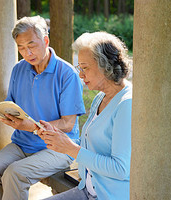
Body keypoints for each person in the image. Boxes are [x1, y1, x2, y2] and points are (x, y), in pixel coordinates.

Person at [0, 16, 86, 200]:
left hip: (58, 147)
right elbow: (10, 105)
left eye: (31, 45)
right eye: (21, 48)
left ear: (45, 40)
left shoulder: (67, 73)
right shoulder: (19, 69)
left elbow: (68, 124)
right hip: (22, 144)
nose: (27, 53)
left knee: (14, 173)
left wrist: (33, 126)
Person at [37, 31, 132, 200]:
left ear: (106, 67)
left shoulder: (126, 104)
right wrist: (59, 138)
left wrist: (70, 148)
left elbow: (120, 168)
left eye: (85, 68)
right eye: (79, 68)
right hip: (87, 191)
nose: (80, 75)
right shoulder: (101, 96)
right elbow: (89, 144)